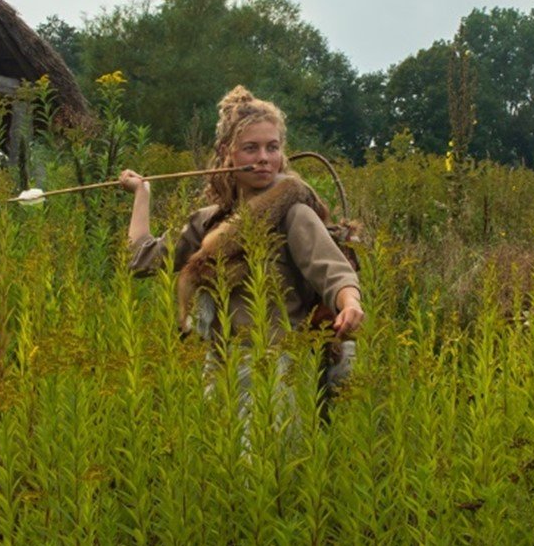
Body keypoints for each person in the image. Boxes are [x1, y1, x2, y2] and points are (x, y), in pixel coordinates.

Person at [117, 86, 363, 413]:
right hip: (220, 366)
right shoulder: (209, 222)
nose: (263, 158)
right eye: (251, 148)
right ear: (227, 152)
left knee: (267, 462)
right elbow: (140, 260)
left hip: (277, 367)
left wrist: (350, 303)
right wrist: (142, 194)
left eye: (272, 148)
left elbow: (333, 272)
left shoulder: (293, 214)